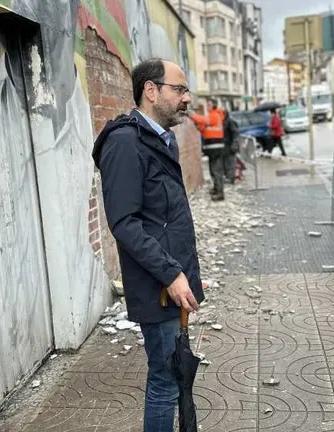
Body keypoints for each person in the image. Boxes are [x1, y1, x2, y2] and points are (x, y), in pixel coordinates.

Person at [91, 58, 204, 432]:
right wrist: (171, 273)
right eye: (179, 89)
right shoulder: (125, 142)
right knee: (165, 379)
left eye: (186, 90)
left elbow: (163, 218)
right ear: (151, 91)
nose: (187, 98)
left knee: (174, 375)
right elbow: (124, 223)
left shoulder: (157, 138)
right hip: (158, 285)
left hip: (172, 281)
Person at [190, 98, 226, 201]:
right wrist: (197, 124)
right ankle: (216, 188)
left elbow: (203, 120)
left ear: (214, 105)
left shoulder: (215, 115)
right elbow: (203, 128)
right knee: (212, 170)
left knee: (216, 170)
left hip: (215, 147)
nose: (208, 106)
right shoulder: (212, 116)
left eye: (209, 104)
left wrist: (191, 114)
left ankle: (220, 193)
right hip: (212, 148)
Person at [222, 107, 240, 184]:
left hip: (231, 146)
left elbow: (235, 134)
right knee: (226, 163)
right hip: (225, 146)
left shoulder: (230, 121)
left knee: (231, 163)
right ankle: (228, 177)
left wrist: (234, 144)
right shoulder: (224, 121)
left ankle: (231, 178)